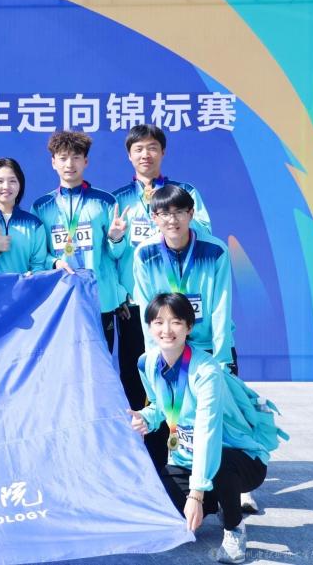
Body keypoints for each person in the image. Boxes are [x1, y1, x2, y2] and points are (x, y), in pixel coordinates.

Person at [128, 293, 268, 564]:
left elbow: (207, 432)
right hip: (188, 457)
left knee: (221, 465)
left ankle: (234, 528)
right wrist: (146, 417)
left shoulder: (206, 371)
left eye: (176, 322)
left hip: (239, 457)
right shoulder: (147, 363)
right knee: (165, 500)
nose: (166, 330)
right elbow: (160, 406)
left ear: (189, 327)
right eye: (158, 322)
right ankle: (215, 502)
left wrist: (196, 493)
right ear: (149, 326)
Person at [113, 124, 213, 411]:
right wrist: (116, 238)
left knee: (186, 374)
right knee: (137, 372)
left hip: (180, 301)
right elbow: (113, 254)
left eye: (152, 148)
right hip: (136, 304)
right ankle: (146, 436)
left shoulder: (184, 192)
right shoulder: (118, 199)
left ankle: (183, 434)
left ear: (163, 152)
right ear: (129, 155)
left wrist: (170, 226)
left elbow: (204, 232)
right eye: (138, 149)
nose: (146, 154)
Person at [32, 130, 129, 351]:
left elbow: (116, 254)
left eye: (76, 157)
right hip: (61, 299)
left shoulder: (106, 201)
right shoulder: (41, 206)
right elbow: (38, 256)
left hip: (101, 300)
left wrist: (116, 238)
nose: (69, 164)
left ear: (86, 161)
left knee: (100, 362)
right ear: (53, 162)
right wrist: (54, 262)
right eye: (63, 158)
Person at [133, 185, 235, 374]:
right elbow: (147, 309)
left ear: (191, 214)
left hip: (208, 348)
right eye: (165, 214)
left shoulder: (216, 251)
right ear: (154, 218)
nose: (172, 220)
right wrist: (154, 356)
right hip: (168, 349)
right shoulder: (145, 254)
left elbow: (221, 308)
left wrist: (222, 360)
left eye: (179, 212)